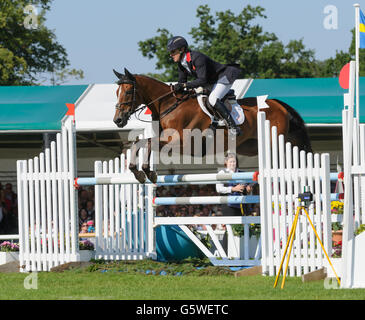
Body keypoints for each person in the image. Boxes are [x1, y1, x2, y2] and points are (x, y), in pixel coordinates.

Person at [167, 35, 242, 136]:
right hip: (212, 81)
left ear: (182, 49)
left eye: (173, 52)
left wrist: (184, 85)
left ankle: (233, 127)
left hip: (225, 76)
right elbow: (182, 82)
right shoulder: (181, 64)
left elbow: (202, 80)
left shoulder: (197, 57)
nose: (171, 55)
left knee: (213, 99)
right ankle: (214, 122)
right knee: (200, 98)